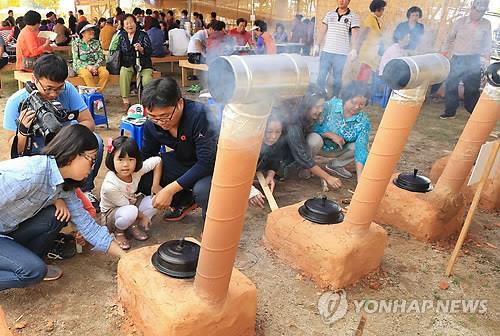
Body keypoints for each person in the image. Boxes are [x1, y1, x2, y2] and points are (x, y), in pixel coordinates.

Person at [0, 124, 124, 291]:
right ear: (73, 154)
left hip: (8, 229)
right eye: (92, 159)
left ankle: (22, 259)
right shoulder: (28, 174)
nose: (93, 167)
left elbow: (89, 227)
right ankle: (24, 264)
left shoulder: (64, 187)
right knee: (33, 271)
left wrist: (126, 258)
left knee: (56, 215)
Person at [3, 54, 104, 210]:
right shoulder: (17, 102)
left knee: (95, 141)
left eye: (58, 88)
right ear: (34, 79)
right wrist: (23, 131)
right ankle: (48, 197)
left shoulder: (68, 90)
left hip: (65, 144)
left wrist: (68, 137)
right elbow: (14, 150)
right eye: (48, 88)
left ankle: (85, 189)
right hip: (37, 151)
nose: (54, 94)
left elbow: (88, 122)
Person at [138, 77, 218, 221]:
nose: (160, 122)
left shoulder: (199, 115)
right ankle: (185, 201)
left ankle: (212, 226)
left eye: (165, 116)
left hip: (210, 166)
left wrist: (169, 190)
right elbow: (148, 155)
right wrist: (155, 184)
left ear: (180, 103)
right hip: (183, 160)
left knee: (202, 191)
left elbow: (206, 162)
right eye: (153, 117)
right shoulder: (152, 124)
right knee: (142, 177)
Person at [100, 136, 162, 250]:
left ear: (136, 160)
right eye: (120, 159)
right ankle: (118, 232)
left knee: (156, 201)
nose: (125, 164)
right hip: (112, 214)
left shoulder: (135, 171)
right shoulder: (110, 185)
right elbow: (126, 205)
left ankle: (131, 226)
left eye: (130, 159)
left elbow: (157, 161)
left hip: (131, 205)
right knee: (130, 211)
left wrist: (156, 185)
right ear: (111, 159)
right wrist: (143, 216)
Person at [284, 84, 342, 190]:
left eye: (322, 106)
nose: (320, 110)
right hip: (282, 162)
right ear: (307, 105)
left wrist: (327, 134)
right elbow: (302, 154)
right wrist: (328, 177)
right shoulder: (293, 122)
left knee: (316, 138)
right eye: (317, 106)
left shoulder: (306, 115)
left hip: (296, 153)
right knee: (315, 140)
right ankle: (295, 170)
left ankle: (304, 168)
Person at [440, 0, 492, 119]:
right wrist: (444, 53)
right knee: (451, 85)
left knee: (472, 89)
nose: (480, 14)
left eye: (483, 12)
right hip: (458, 58)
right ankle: (450, 111)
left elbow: (487, 43)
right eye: (478, 11)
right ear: (472, 9)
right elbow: (449, 38)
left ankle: (474, 112)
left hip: (474, 60)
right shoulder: (460, 22)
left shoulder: (486, 24)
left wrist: (487, 60)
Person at [311, 81, 371, 179]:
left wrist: (360, 177)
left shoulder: (363, 121)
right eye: (353, 102)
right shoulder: (329, 106)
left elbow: (361, 149)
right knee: (314, 139)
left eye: (361, 104)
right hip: (319, 146)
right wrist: (329, 134)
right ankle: (306, 164)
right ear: (345, 98)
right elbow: (312, 126)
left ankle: (335, 165)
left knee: (360, 145)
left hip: (339, 150)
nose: (357, 107)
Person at [315, 0, 360, 98]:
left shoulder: (353, 16)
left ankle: (334, 100)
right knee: (321, 76)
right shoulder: (329, 14)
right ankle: (318, 98)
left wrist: (354, 49)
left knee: (337, 79)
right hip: (326, 52)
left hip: (341, 54)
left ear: (348, 1)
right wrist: (317, 45)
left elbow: (355, 35)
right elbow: (322, 31)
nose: (341, 1)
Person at [249, 114, 286, 208]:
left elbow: (275, 161)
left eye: (278, 132)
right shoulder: (247, 142)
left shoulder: (277, 143)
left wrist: (270, 176)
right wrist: (250, 190)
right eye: (269, 131)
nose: (273, 136)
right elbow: (234, 171)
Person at [118, 14, 153, 111]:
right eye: (127, 23)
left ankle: (147, 102)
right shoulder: (121, 36)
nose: (129, 25)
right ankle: (126, 101)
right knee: (124, 72)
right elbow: (120, 51)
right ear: (123, 26)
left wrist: (141, 49)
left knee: (147, 80)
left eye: (131, 22)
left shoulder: (143, 34)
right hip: (128, 64)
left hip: (143, 64)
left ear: (135, 23)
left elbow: (149, 51)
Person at [356, 0, 386, 83]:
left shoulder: (375, 19)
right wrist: (356, 50)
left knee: (368, 78)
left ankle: (362, 94)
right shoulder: (370, 19)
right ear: (378, 9)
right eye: (382, 9)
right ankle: (359, 95)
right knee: (363, 78)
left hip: (372, 54)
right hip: (367, 54)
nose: (383, 12)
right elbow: (363, 34)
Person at [72, 23, 109, 92]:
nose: (92, 31)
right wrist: (88, 67)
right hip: (81, 66)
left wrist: (95, 66)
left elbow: (101, 57)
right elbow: (76, 59)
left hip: (96, 65)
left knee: (105, 73)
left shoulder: (96, 42)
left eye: (92, 29)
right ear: (82, 33)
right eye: (89, 30)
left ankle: (97, 94)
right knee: (87, 75)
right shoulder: (76, 43)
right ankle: (95, 97)